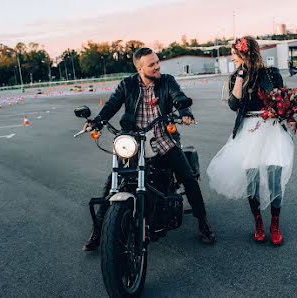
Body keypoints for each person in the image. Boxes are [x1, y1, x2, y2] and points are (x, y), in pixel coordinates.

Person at [82, 48, 215, 251]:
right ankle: (99, 230)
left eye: (157, 62)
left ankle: (203, 221)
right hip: (135, 142)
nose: (157, 66)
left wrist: (185, 111)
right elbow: (111, 105)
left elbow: (178, 96)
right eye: (152, 64)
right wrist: (97, 122)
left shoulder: (167, 81)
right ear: (139, 68)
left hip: (163, 139)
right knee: (113, 182)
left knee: (188, 177)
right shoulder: (127, 84)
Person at [206, 36, 296, 245]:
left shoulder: (271, 74)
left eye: (234, 53)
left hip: (272, 129)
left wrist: (280, 110)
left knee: (275, 178)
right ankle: (258, 221)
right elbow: (234, 105)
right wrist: (240, 75)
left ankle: (275, 223)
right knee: (252, 179)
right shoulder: (235, 77)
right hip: (249, 130)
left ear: (243, 53)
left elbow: (279, 98)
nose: (231, 56)